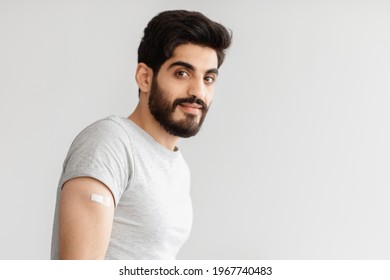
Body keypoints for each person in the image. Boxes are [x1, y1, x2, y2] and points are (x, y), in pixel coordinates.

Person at [51, 9, 232, 260]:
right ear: (145, 77)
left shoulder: (178, 167)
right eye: (182, 73)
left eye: (209, 78)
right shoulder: (109, 144)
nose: (198, 91)